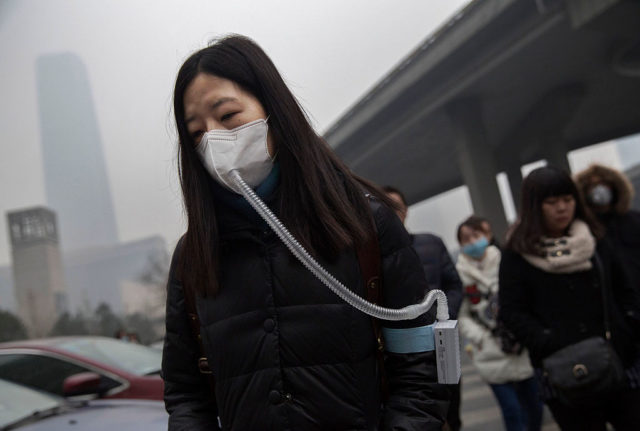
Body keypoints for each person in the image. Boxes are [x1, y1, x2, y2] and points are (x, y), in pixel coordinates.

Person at [161, 35, 449, 431]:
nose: (213, 140)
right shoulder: (193, 257)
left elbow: (419, 364)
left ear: (274, 110)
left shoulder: (362, 224)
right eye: (196, 133)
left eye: (227, 116)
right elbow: (185, 392)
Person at [499, 166, 640, 430]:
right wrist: (549, 341)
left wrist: (629, 330)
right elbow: (512, 311)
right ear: (534, 206)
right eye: (551, 202)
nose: (562, 208)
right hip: (565, 371)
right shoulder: (518, 253)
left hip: (620, 360)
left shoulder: (594, 238)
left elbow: (625, 290)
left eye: (568, 199)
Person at [383, 185, 463, 431]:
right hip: (401, 352)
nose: (391, 213)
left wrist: (440, 320)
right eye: (385, 207)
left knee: (451, 410)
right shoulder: (372, 255)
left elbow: (454, 285)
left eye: (396, 207)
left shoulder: (431, 243)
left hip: (439, 343)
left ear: (406, 210)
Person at [455, 216, 542, 431]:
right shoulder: (459, 275)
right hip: (489, 350)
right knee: (511, 410)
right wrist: (480, 337)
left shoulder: (508, 262)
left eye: (476, 235)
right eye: (466, 239)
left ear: (487, 235)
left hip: (520, 345)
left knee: (535, 406)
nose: (473, 242)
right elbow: (461, 314)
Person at [574, 164, 640, 291]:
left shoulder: (634, 220)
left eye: (604, 184)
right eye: (592, 186)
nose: (600, 189)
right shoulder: (583, 229)